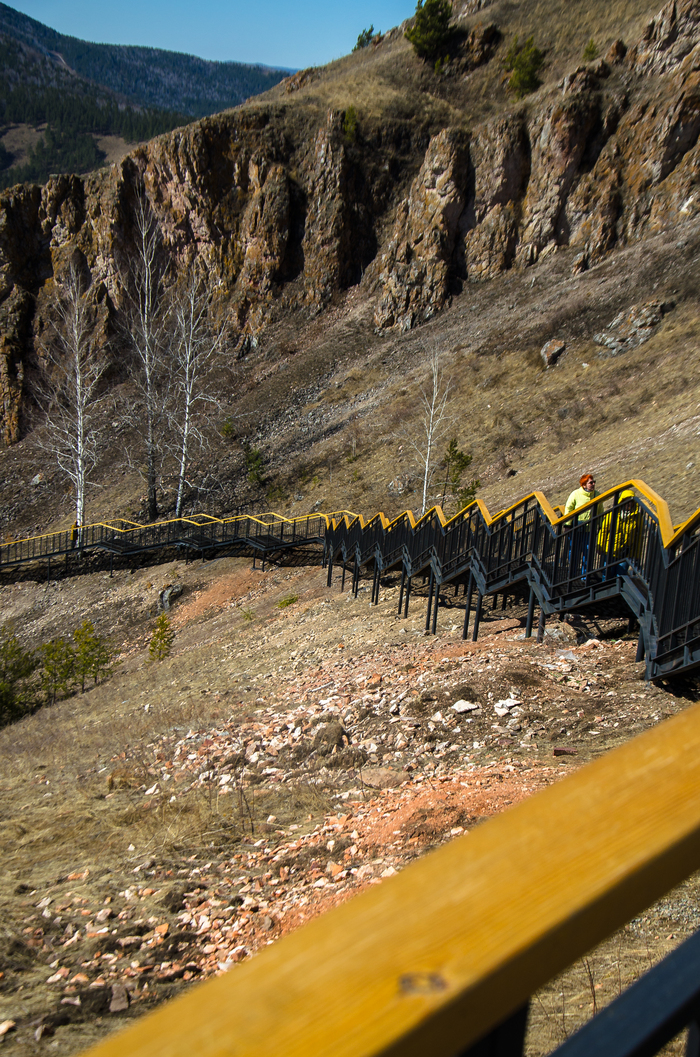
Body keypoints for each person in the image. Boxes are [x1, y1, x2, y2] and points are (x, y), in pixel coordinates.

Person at [564, 473, 603, 579]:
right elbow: (569, 509)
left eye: (594, 482)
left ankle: (585, 576)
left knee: (588, 551)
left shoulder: (597, 495)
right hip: (576, 528)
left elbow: (600, 512)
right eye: (590, 482)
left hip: (589, 529)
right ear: (584, 484)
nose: (593, 484)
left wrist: (600, 526)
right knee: (574, 552)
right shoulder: (575, 494)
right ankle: (572, 574)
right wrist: (567, 525)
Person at [596, 489, 642, 576]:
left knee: (620, 575)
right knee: (607, 574)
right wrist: (600, 546)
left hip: (626, 552)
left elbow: (639, 536)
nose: (628, 504)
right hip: (611, 551)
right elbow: (603, 531)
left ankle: (617, 589)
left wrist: (637, 554)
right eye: (626, 501)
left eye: (631, 501)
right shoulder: (612, 514)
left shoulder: (637, 517)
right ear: (622, 501)